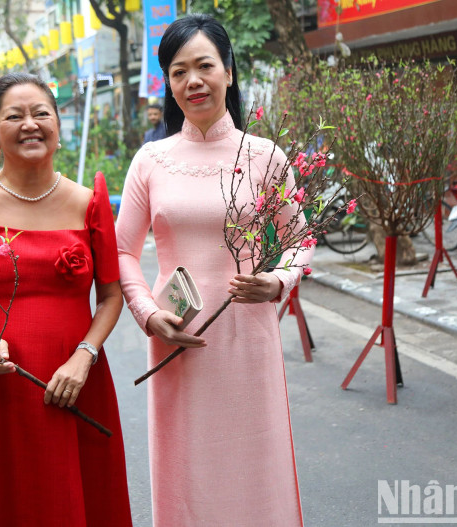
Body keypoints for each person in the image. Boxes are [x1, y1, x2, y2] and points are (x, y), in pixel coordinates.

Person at [115, 14, 312, 526]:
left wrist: (276, 282)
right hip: (176, 335)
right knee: (186, 465)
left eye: (205, 66)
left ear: (229, 71)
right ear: (169, 84)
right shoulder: (150, 161)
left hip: (247, 335)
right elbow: (121, 253)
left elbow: (299, 239)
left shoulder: (265, 156)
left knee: (254, 457)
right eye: (179, 72)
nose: (193, 81)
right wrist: (146, 313)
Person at [0, 72, 132, 526]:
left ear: (58, 123)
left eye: (41, 113)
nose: (30, 124)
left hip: (71, 381)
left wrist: (85, 355)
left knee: (66, 497)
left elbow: (112, 295)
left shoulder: (89, 201)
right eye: (14, 116)